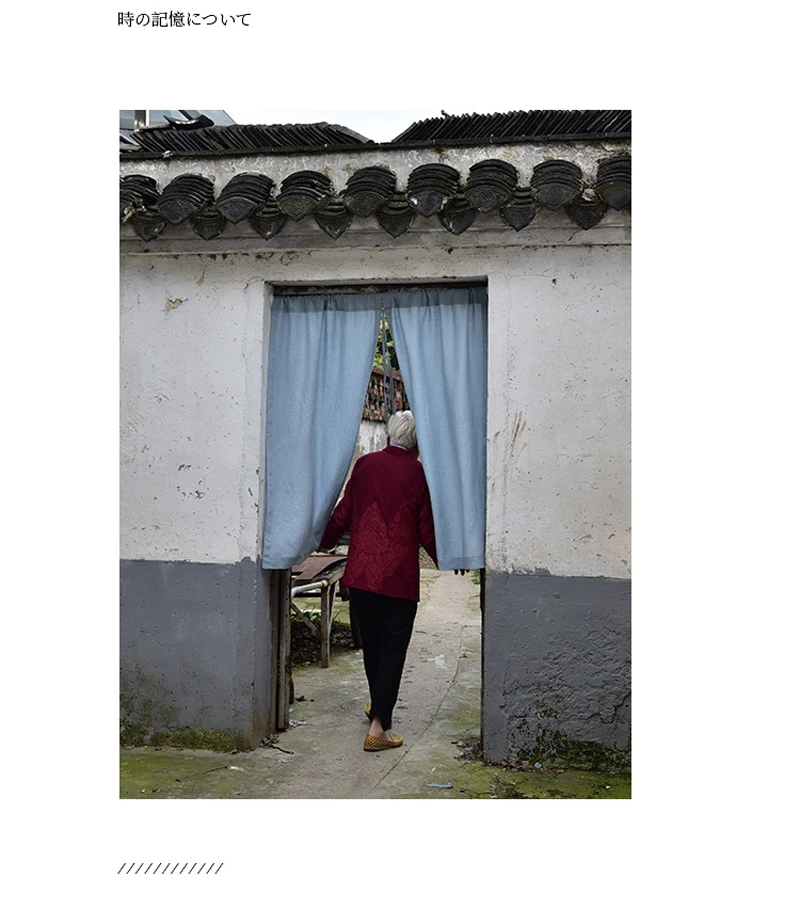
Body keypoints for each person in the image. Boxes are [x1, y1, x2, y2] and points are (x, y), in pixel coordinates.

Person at [318, 410, 438, 751]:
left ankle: (378, 706)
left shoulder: (366, 465)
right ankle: (378, 727)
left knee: (372, 647)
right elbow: (426, 526)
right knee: (393, 649)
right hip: (399, 578)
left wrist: (323, 541)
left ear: (388, 437)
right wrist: (449, 559)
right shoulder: (418, 474)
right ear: (417, 446)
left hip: (362, 575)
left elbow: (344, 512)